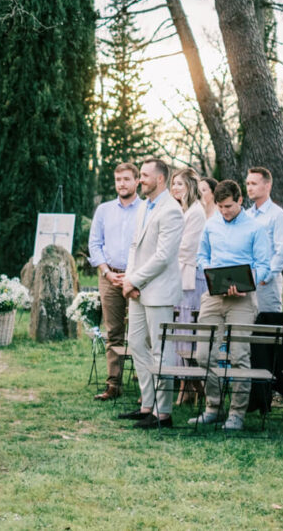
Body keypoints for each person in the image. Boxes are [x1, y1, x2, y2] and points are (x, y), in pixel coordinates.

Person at [190, 180, 272, 431]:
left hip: (242, 300)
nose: (224, 211)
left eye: (228, 206)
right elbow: (201, 255)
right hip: (214, 296)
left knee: (239, 356)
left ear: (240, 201)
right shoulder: (211, 224)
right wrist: (208, 271)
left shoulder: (255, 228)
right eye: (220, 206)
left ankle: (237, 413)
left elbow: (264, 265)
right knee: (203, 355)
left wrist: (246, 283)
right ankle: (213, 407)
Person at [118, 159, 185, 429]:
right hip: (138, 290)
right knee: (135, 343)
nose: (140, 180)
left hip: (159, 291)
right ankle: (147, 404)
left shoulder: (172, 211)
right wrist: (130, 283)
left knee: (161, 350)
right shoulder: (144, 206)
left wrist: (134, 279)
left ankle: (163, 412)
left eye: (144, 176)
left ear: (159, 179)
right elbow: (135, 246)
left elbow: (163, 257)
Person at [87, 162, 144, 401]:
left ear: (137, 181)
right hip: (109, 277)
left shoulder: (145, 209)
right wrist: (106, 272)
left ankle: (144, 385)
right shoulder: (104, 210)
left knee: (141, 333)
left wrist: (133, 275)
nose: (121, 184)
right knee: (113, 333)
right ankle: (113, 384)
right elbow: (94, 244)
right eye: (118, 179)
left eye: (126, 179)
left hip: (138, 278)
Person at [170, 168, 208, 405]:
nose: (175, 189)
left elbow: (186, 247)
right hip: (178, 276)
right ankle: (186, 386)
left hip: (192, 278)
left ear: (191, 187)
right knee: (180, 333)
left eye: (180, 185)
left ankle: (196, 387)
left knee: (189, 333)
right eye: (173, 184)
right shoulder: (181, 211)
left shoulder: (196, 213)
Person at [245, 167, 283, 313]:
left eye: (254, 183)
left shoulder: (278, 215)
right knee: (245, 330)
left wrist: (266, 277)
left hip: (266, 283)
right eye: (247, 184)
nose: (249, 188)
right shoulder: (246, 216)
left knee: (267, 328)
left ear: (267, 186)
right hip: (245, 282)